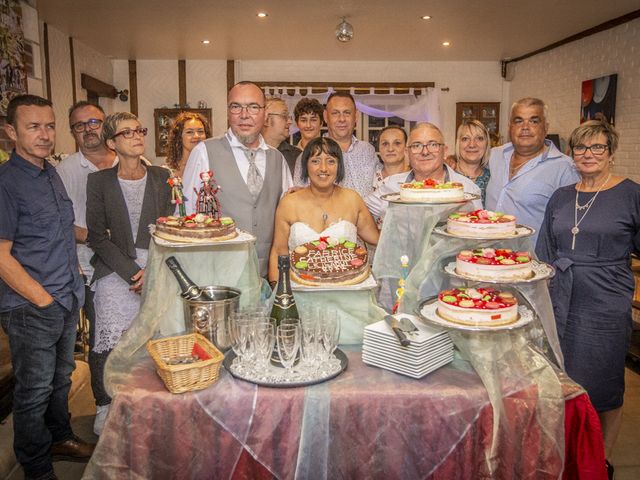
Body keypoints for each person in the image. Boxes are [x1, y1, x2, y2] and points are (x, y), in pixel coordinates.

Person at [536, 120, 640, 478]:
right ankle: (564, 452)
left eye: (597, 147)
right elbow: (545, 251)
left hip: (606, 300)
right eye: (581, 148)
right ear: (572, 153)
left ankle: (601, 461)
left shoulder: (630, 194)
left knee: (605, 383)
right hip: (562, 297)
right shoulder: (563, 196)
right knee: (562, 379)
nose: (588, 154)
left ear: (611, 152)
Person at [0, 94, 94, 480]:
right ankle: (36, 466)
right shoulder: (7, 182)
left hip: (66, 294)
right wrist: (41, 299)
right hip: (31, 306)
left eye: (50, 126)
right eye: (33, 127)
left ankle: (60, 438)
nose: (44, 134)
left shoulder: (49, 172)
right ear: (11, 132)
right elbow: (1, 254)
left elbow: (59, 230)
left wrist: (99, 240)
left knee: (60, 379)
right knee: (34, 389)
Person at [86, 112, 173, 435]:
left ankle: (150, 401)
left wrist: (151, 268)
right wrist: (132, 272)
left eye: (140, 130)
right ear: (111, 143)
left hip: (157, 263)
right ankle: (106, 404)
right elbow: (97, 236)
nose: (137, 136)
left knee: (155, 338)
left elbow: (168, 228)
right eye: (127, 133)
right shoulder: (99, 182)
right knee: (109, 342)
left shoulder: (162, 177)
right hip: (115, 268)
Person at [182, 81, 293, 277]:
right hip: (217, 273)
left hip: (267, 275)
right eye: (236, 107)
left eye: (253, 107)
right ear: (228, 111)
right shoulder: (205, 152)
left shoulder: (277, 159)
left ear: (265, 113)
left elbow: (288, 218)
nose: (244, 115)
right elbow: (187, 214)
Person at [55, 100, 118, 423]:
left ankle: (133, 402)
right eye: (80, 125)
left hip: (135, 266)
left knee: (135, 336)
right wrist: (100, 238)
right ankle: (104, 405)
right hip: (92, 268)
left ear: (105, 124)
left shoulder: (130, 160)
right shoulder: (65, 171)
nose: (88, 129)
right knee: (102, 338)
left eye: (94, 122)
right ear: (73, 132)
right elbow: (61, 223)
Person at [269, 137, 379, 283]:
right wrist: (279, 293)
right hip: (300, 289)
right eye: (315, 161)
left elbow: (377, 239)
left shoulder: (353, 199)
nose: (323, 168)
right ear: (305, 165)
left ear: (339, 166)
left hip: (347, 290)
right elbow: (278, 251)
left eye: (331, 161)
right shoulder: (289, 203)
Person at [485, 98, 579, 242]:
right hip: (486, 255)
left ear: (546, 127)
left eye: (534, 121)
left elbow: (572, 225)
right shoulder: (495, 155)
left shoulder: (565, 168)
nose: (525, 127)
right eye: (518, 121)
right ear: (509, 126)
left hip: (531, 260)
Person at [365, 122, 482, 223]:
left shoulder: (468, 189)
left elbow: (479, 232)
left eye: (433, 145)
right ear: (407, 153)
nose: (425, 152)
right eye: (417, 145)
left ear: (445, 151)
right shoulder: (391, 185)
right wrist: (379, 239)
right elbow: (359, 210)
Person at [294, 92, 378, 198]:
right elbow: (299, 198)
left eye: (347, 113)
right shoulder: (309, 155)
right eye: (335, 113)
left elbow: (382, 185)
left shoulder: (368, 150)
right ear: (325, 116)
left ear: (356, 116)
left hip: (367, 214)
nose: (341, 119)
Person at [371, 125, 410, 226]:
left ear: (406, 148)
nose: (390, 148)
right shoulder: (370, 178)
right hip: (373, 239)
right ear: (379, 148)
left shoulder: (415, 180)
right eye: (385, 144)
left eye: (397, 143)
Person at [452, 120, 491, 204]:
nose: (472, 144)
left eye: (479, 138)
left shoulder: (493, 178)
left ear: (486, 144)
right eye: (465, 139)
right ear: (458, 143)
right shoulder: (448, 176)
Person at [163, 111, 210, 179]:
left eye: (200, 131)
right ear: (179, 137)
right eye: (189, 132)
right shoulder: (167, 171)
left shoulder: (211, 165)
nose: (196, 136)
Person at [262, 97, 300, 174]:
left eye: (289, 117)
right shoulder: (250, 153)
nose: (289, 121)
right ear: (266, 120)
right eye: (284, 116)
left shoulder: (298, 156)